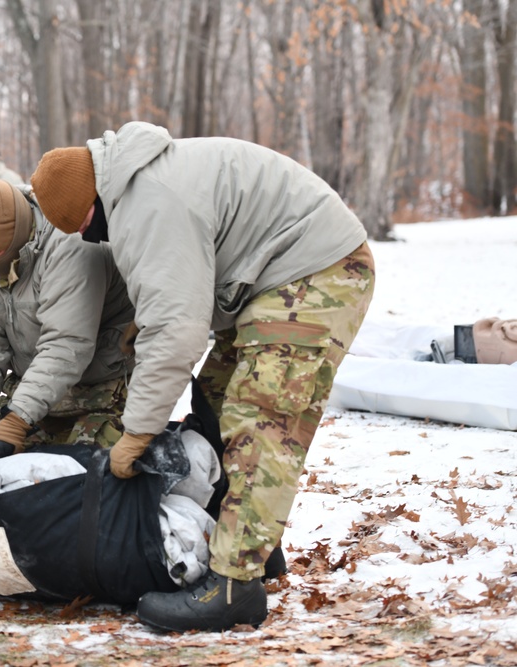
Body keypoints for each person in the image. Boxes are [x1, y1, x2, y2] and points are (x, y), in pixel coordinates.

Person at [30, 121, 376, 632]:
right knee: (214, 404)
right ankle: (253, 544)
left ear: (90, 204)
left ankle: (235, 585)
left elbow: (177, 332)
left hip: (317, 270)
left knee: (260, 420)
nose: (89, 238)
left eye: (83, 227)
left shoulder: (147, 203)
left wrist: (138, 431)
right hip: (270, 278)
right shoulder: (132, 181)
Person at [0, 179, 135, 457]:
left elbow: (66, 344)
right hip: (38, 390)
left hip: (106, 387)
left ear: (20, 232)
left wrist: (17, 419)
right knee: (4, 471)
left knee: (87, 478)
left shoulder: (71, 245)